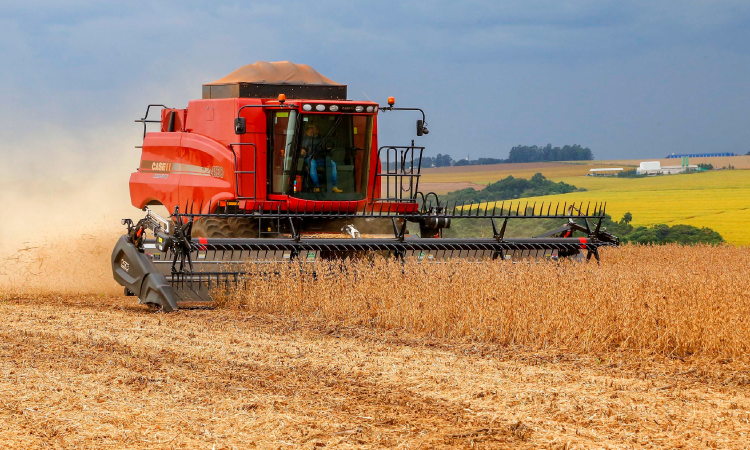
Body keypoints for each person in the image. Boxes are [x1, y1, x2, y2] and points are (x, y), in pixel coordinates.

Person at [300, 124, 343, 193]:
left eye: (315, 129)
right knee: (312, 163)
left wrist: (327, 148)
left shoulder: (321, 138)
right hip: (309, 158)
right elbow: (303, 149)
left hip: (320, 158)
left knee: (333, 164)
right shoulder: (305, 138)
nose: (315, 130)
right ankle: (316, 186)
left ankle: (334, 186)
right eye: (312, 128)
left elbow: (325, 146)